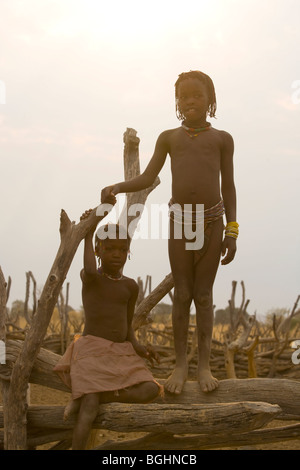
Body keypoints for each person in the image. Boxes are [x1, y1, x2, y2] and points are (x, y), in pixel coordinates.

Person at [101, 70, 238, 395]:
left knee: (203, 297)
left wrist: (232, 230)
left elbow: (228, 185)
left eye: (197, 95)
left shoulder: (222, 139)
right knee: (182, 295)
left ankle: (203, 365)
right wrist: (118, 186)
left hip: (212, 223)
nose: (190, 101)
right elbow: (148, 176)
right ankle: (179, 365)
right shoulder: (169, 138)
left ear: (210, 100)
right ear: (177, 102)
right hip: (179, 222)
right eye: (184, 96)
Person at [54, 211, 161, 450]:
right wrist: (89, 230)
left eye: (122, 250)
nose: (117, 254)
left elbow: (127, 328)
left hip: (120, 352)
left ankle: (103, 394)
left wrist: (141, 349)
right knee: (89, 408)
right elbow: (91, 271)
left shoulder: (130, 286)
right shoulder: (91, 278)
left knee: (151, 388)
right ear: (97, 251)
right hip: (91, 350)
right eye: (110, 249)